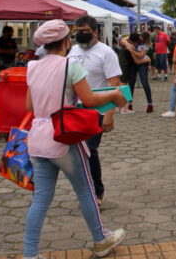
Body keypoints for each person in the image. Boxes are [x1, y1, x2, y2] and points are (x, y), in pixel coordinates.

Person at [23, 19, 126, 259]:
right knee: (86, 191)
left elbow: (29, 105)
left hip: (37, 139)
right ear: (66, 41)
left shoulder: (32, 67)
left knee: (40, 199)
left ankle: (30, 254)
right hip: (62, 137)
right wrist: (113, 93)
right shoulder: (71, 66)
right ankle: (101, 240)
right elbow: (89, 100)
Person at [68, 15, 122, 208]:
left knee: (89, 150)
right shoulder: (72, 51)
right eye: (78, 32)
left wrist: (109, 113)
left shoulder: (106, 53)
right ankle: (85, 190)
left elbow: (114, 85)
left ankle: (96, 193)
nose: (81, 35)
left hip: (96, 110)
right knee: (77, 152)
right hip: (73, 109)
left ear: (95, 31)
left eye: (85, 32)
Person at [120, 32, 154, 113]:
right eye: (139, 39)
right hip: (133, 63)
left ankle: (150, 104)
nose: (139, 41)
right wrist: (128, 45)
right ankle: (130, 104)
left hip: (142, 63)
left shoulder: (147, 44)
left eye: (141, 40)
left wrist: (132, 51)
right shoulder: (135, 36)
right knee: (131, 83)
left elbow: (141, 56)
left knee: (144, 82)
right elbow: (123, 40)